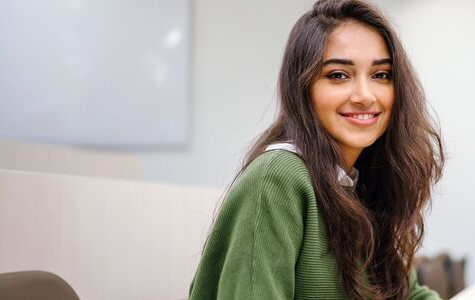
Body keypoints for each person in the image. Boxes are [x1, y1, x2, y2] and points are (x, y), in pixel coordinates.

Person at [189, 0, 445, 299]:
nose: (365, 95)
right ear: (303, 88)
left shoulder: (358, 181)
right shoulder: (278, 178)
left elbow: (406, 293)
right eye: (338, 75)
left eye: (381, 75)